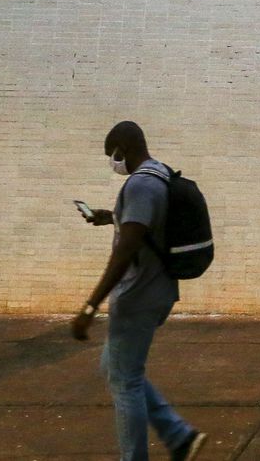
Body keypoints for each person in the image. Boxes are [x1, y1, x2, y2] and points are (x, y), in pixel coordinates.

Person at [71, 121, 207, 461]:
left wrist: (90, 307)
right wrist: (110, 217)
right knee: (115, 368)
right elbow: (142, 227)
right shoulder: (159, 173)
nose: (112, 162)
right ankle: (178, 436)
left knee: (125, 382)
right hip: (157, 290)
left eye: (112, 155)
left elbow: (127, 249)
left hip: (138, 295)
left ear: (123, 150)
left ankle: (144, 453)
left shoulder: (141, 185)